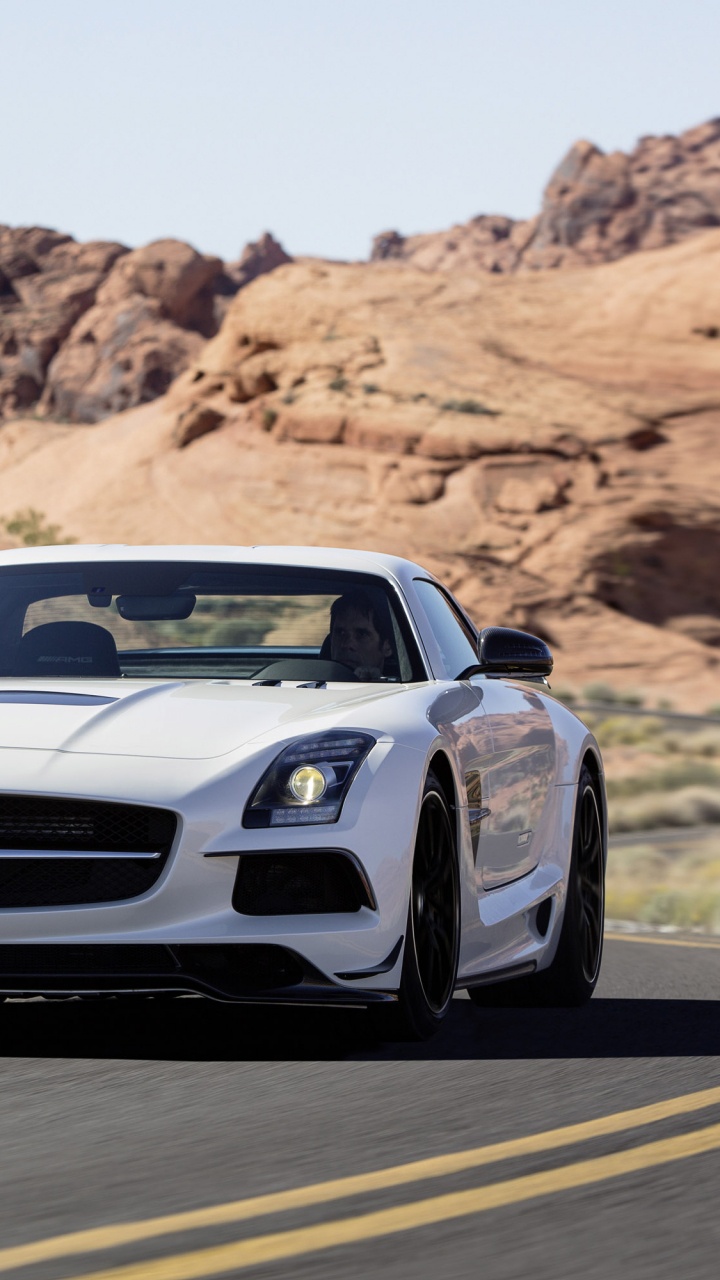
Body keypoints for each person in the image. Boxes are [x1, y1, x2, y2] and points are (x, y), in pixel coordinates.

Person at [329, 589, 393, 680]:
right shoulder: (311, 682)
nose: (347, 644)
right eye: (340, 633)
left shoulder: (401, 690)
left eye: (361, 634)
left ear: (387, 646)